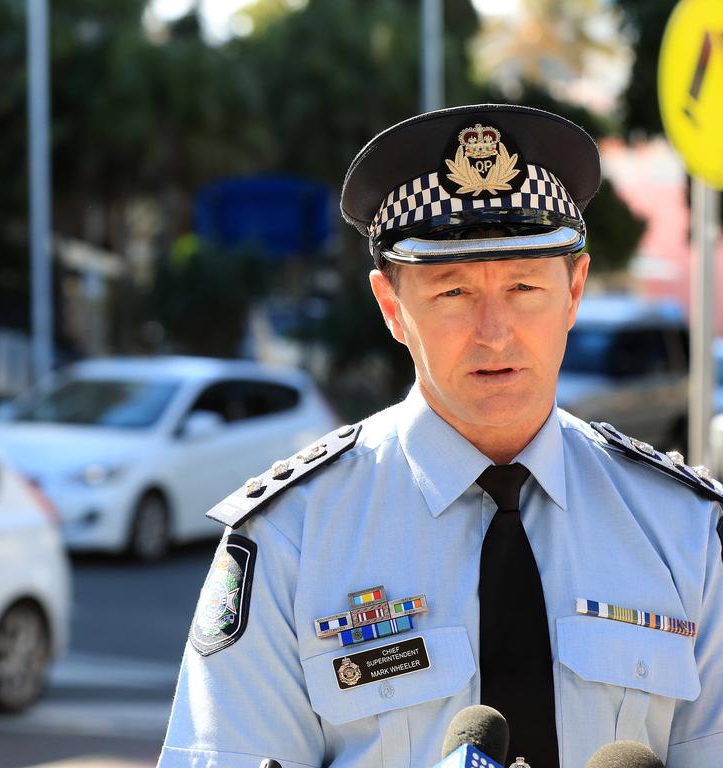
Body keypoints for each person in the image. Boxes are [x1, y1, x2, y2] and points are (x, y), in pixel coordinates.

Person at [157, 105, 723, 768]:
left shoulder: (684, 532)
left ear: (574, 291)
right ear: (392, 307)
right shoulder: (292, 540)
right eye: (453, 291)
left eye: (524, 286)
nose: (494, 331)